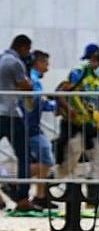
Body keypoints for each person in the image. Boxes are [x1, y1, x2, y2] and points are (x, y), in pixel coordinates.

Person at [54, 49, 99, 206]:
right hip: (73, 125)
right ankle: (49, 184)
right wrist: (69, 110)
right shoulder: (79, 72)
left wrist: (96, 115)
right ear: (93, 61)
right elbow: (60, 93)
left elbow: (90, 101)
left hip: (88, 126)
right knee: (70, 160)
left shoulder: (97, 79)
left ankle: (92, 201)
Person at [0, 35, 35, 210]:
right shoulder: (15, 63)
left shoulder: (1, 58)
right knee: (24, 156)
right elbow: (26, 86)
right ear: (23, 47)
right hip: (11, 114)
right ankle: (22, 198)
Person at [23, 50, 57, 207]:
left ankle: (40, 195)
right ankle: (15, 180)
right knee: (46, 159)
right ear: (38, 62)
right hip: (30, 126)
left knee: (43, 160)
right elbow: (37, 101)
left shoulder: (31, 77)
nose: (47, 68)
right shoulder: (33, 79)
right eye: (45, 63)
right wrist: (56, 105)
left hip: (30, 125)